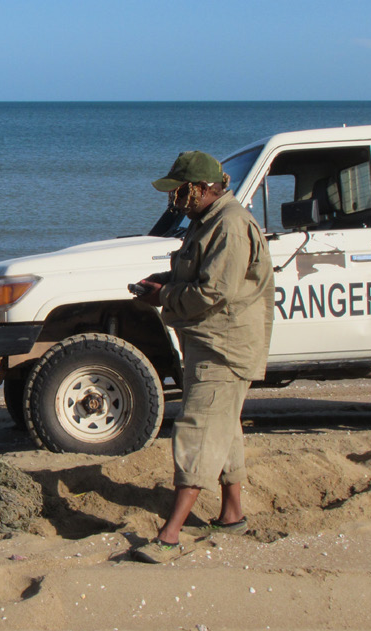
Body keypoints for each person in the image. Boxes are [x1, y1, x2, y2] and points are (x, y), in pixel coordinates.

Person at [130, 151, 274, 564]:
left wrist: (165, 297)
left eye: (178, 191)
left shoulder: (229, 224)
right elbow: (202, 278)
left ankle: (170, 535)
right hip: (211, 341)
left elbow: (215, 293)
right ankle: (232, 515)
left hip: (223, 348)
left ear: (198, 189)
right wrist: (164, 282)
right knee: (224, 429)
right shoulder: (208, 222)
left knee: (196, 429)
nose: (173, 199)